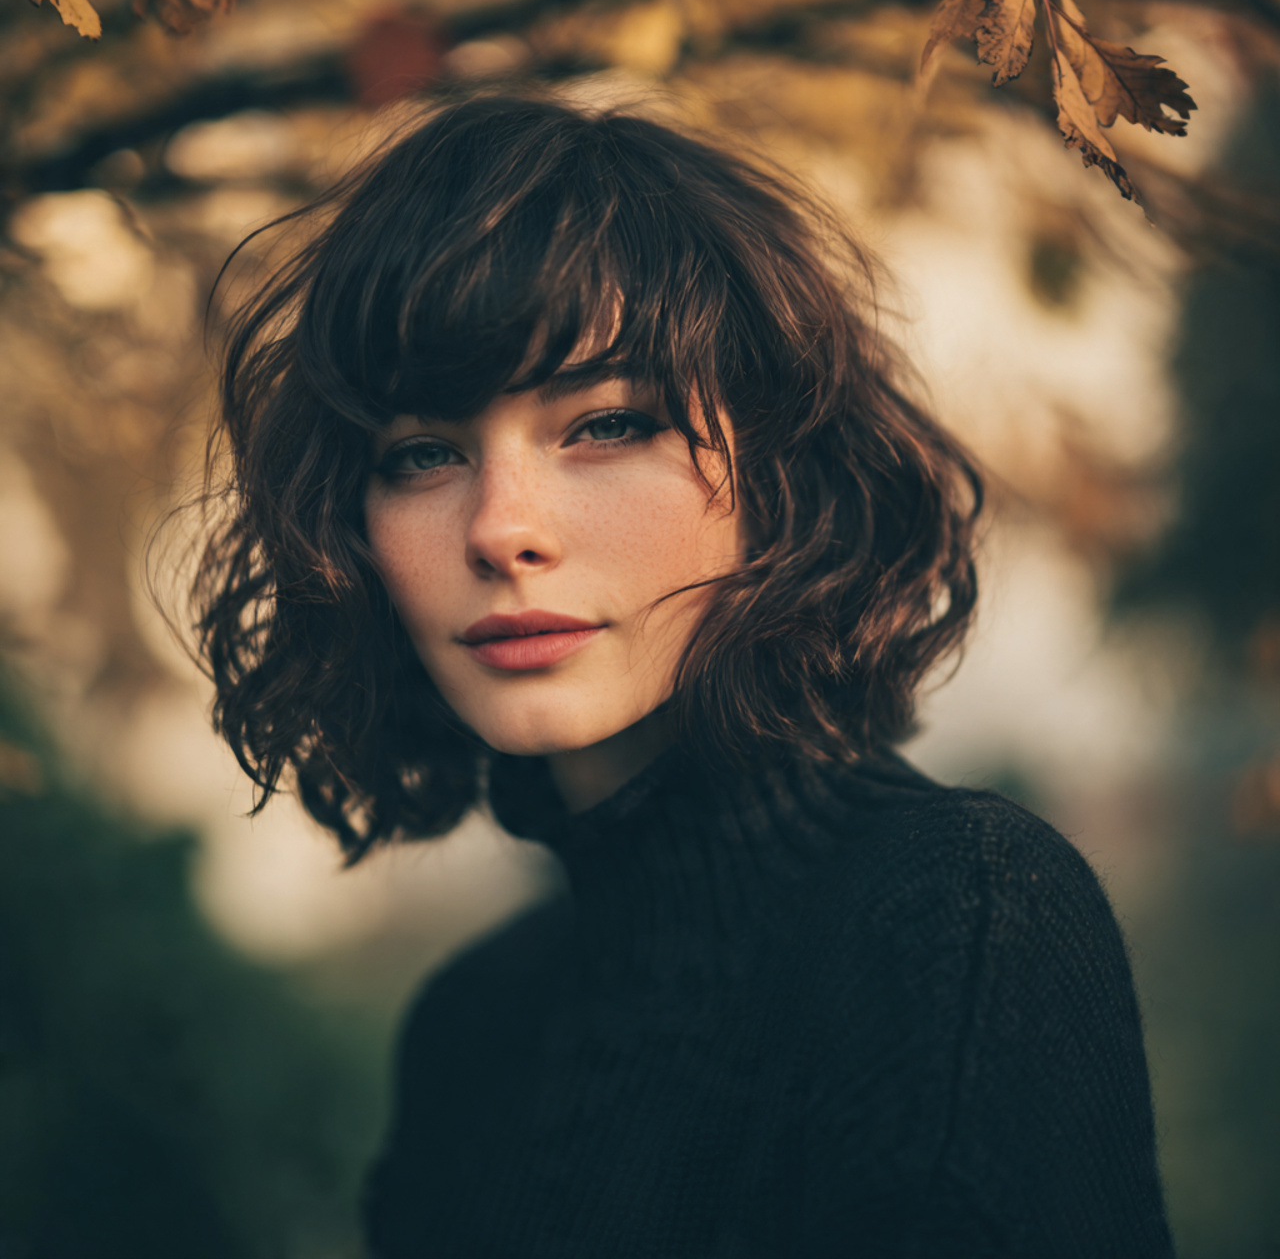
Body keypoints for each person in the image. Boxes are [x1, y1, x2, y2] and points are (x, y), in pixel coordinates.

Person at [195, 94, 1173, 1257]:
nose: (501, 528)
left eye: (605, 425)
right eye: (422, 453)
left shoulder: (958, 914)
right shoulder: (465, 1030)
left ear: (776, 474)